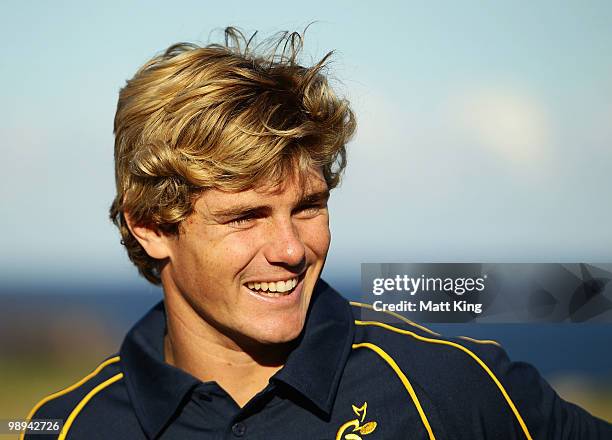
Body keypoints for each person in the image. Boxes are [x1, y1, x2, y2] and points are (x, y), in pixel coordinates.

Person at [22, 27, 612, 440]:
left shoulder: (448, 386)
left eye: (308, 206)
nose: (291, 249)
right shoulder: (67, 426)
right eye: (245, 216)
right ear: (150, 225)